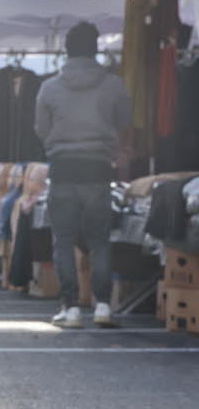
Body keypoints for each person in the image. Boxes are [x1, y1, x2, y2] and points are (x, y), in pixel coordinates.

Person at [35, 22, 132, 329]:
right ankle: (103, 305)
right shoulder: (114, 84)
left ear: (66, 50)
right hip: (98, 168)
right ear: (96, 48)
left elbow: (41, 128)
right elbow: (125, 121)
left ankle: (71, 308)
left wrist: (59, 143)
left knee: (62, 240)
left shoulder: (49, 87)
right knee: (99, 240)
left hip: (63, 167)